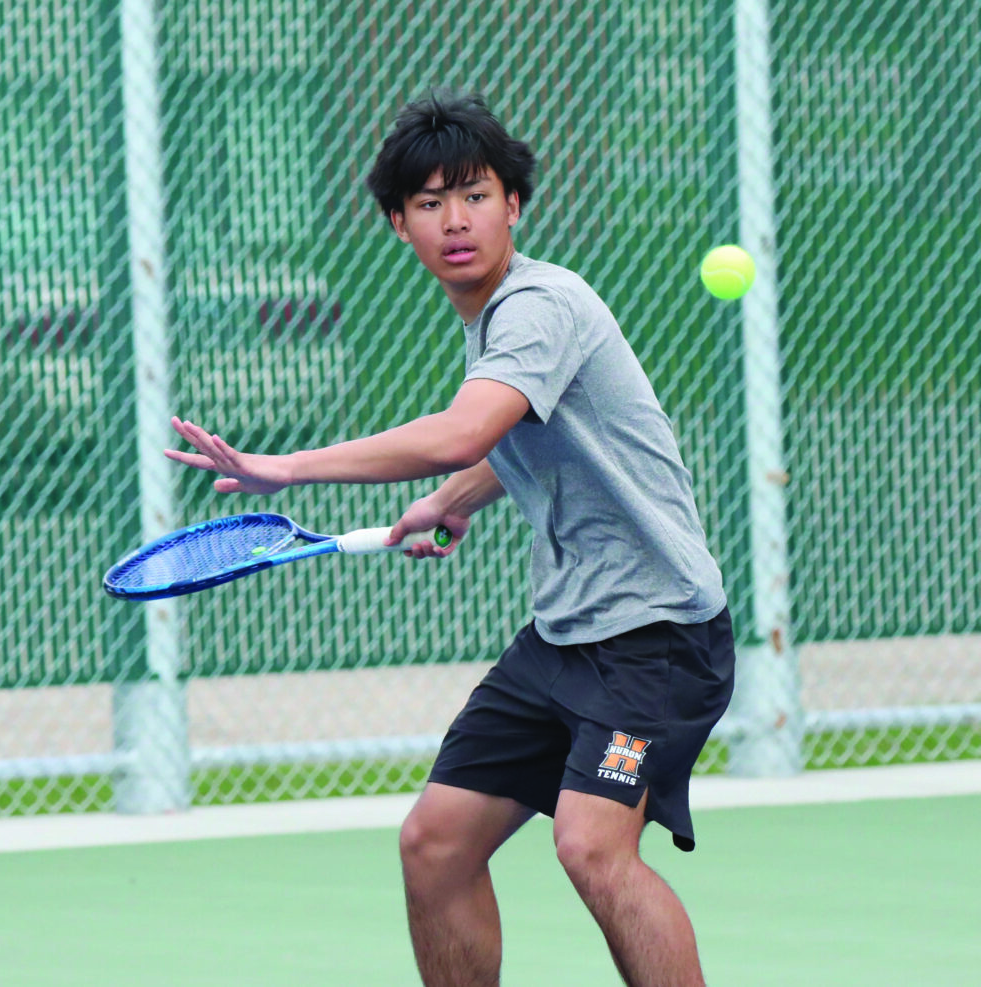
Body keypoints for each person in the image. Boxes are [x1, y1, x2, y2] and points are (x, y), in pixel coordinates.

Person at [165, 90, 735, 987]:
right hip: (566, 637)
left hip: (655, 639)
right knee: (435, 844)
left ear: (515, 203)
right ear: (399, 224)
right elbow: (529, 441)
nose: (455, 220)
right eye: (429, 204)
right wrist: (458, 498)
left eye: (474, 195)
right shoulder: (489, 318)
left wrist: (293, 466)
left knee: (592, 847)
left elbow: (469, 428)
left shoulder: (539, 303)